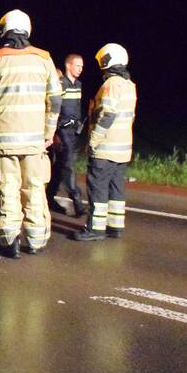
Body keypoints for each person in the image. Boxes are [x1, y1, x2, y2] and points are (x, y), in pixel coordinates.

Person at [0, 9, 62, 257]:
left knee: (7, 188)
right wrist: (49, 132)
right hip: (34, 141)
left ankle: (9, 242)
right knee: (34, 188)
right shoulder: (44, 59)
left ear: (4, 31)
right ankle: (36, 240)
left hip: (2, 140)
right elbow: (55, 100)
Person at [75, 43, 137, 241]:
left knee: (98, 187)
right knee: (116, 187)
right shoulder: (129, 85)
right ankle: (115, 226)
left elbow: (107, 115)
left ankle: (95, 228)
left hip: (106, 149)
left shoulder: (110, 85)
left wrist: (93, 140)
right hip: (122, 150)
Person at [48, 53, 88, 216]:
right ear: (68, 66)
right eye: (77, 65)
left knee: (59, 167)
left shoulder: (77, 85)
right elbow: (53, 108)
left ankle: (49, 198)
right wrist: (55, 133)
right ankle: (77, 200)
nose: (80, 69)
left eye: (82, 66)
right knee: (67, 166)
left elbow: (77, 108)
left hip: (73, 132)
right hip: (62, 131)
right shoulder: (60, 84)